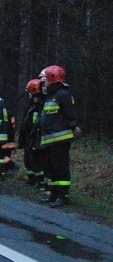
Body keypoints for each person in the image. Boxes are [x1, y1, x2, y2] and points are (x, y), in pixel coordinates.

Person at [38, 65, 80, 207]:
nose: (44, 83)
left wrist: (74, 126)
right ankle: (53, 194)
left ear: (53, 79)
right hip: (50, 139)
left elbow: (70, 115)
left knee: (60, 167)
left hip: (60, 139)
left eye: (46, 80)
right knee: (51, 168)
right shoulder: (51, 96)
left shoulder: (63, 95)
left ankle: (63, 196)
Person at [18, 78, 44, 188]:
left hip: (36, 137)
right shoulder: (31, 106)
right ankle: (31, 179)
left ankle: (40, 181)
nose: (28, 94)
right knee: (28, 160)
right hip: (29, 137)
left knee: (36, 160)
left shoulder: (41, 106)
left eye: (29, 92)